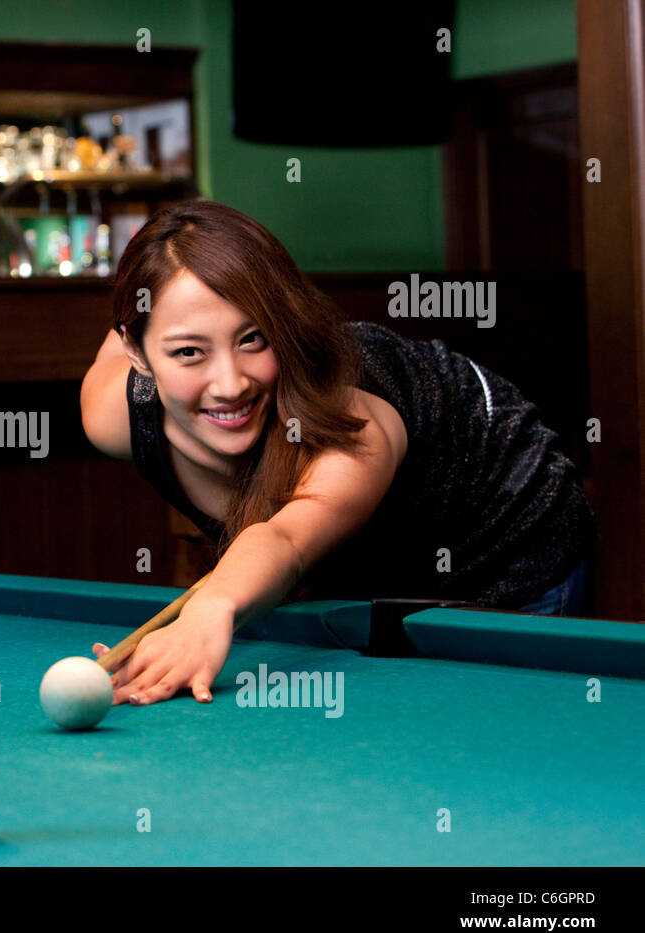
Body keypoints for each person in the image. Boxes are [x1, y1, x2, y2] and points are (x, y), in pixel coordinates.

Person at [79, 199, 596, 706]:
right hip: (376, 560)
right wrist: (170, 256)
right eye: (189, 351)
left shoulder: (351, 423)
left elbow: (286, 537)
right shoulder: (112, 414)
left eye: (254, 338)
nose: (231, 383)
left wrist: (210, 608)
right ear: (136, 352)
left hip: (504, 532)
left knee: (491, 727)